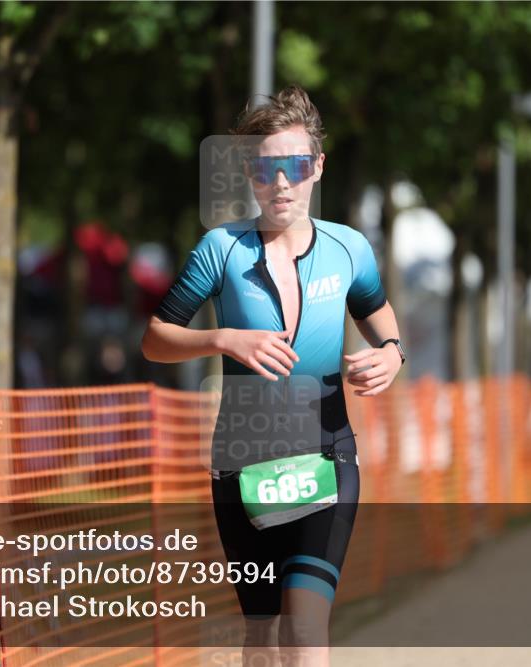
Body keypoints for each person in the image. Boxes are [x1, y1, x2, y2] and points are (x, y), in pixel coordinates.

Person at [141, 86, 404, 666]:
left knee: (305, 630)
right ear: (249, 174)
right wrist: (222, 338)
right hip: (244, 461)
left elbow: (382, 324)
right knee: (262, 638)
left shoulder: (349, 249)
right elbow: (155, 340)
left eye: (295, 166)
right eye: (265, 170)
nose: (281, 183)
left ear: (317, 168)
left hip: (326, 454)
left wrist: (392, 354)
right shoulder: (220, 250)